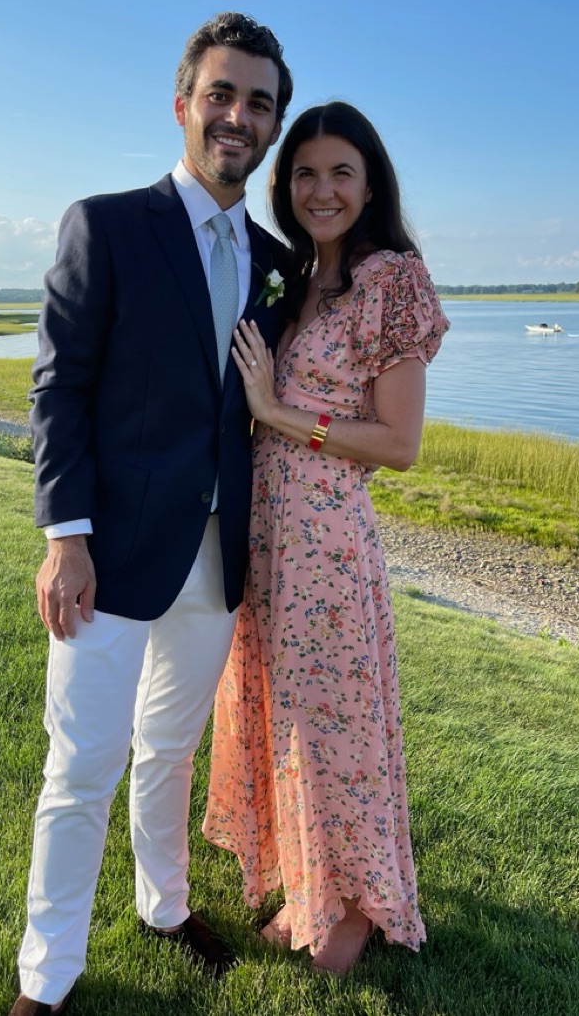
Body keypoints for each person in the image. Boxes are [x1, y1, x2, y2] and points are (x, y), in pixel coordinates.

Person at [10, 13, 293, 1016]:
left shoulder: (275, 260)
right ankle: (47, 976)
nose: (237, 115)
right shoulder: (107, 226)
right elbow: (59, 389)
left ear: (272, 124)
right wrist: (65, 538)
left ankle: (164, 905)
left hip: (216, 558)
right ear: (182, 105)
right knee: (82, 766)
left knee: (169, 747)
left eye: (258, 102)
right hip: (113, 554)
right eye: (221, 94)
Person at [203, 101, 449, 975]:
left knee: (335, 722)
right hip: (266, 533)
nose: (322, 190)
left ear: (370, 183)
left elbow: (399, 443)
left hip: (327, 543)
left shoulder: (393, 280)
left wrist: (279, 413)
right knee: (287, 714)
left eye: (342, 172)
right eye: (305, 173)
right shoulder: (298, 277)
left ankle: (352, 903)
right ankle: (309, 883)